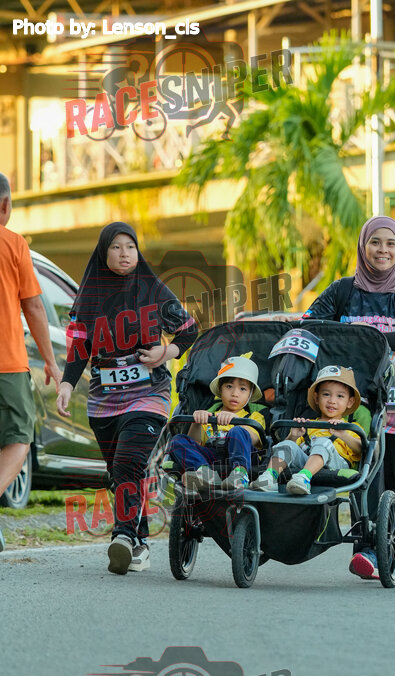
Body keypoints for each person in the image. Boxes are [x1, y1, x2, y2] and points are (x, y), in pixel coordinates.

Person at [56, 222, 197, 575]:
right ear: (103, 252)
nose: (124, 254)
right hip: (103, 400)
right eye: (116, 247)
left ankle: (121, 535)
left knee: (128, 462)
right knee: (121, 473)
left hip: (149, 393)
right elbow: (80, 348)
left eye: (130, 247)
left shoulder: (153, 289)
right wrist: (67, 384)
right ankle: (139, 544)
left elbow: (189, 330)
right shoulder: (90, 296)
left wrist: (166, 353)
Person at [302, 216, 395, 578]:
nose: (382, 250)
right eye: (375, 242)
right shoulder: (341, 290)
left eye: (390, 243)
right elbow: (308, 324)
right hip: (351, 403)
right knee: (364, 477)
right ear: (363, 246)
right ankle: (367, 551)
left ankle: (392, 555)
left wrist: (353, 338)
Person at [0, 173, 62, 553]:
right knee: (19, 439)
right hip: (6, 365)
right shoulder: (13, 244)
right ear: (5, 205)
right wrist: (51, 362)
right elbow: (35, 307)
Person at [251, 365, 370, 495]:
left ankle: (304, 477)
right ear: (316, 398)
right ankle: (269, 477)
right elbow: (290, 450)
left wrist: (344, 435)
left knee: (323, 442)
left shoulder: (350, 427)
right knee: (287, 444)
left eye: (340, 396)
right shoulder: (308, 425)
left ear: (350, 402)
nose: (332, 401)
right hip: (306, 462)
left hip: (336, 465)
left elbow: (362, 449)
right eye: (326, 394)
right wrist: (293, 436)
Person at [168, 353, 265, 491]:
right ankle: (204, 472)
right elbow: (195, 443)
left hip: (244, 457)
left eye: (242, 389)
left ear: (250, 394)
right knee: (177, 441)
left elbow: (255, 439)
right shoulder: (210, 415)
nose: (235, 393)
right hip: (213, 458)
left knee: (238, 431)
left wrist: (236, 422)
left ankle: (240, 475)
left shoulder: (253, 417)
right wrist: (197, 422)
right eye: (229, 386)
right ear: (220, 388)